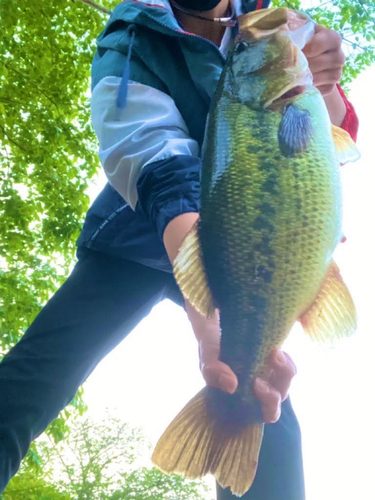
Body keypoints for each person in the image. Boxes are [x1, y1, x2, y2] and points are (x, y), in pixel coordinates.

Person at [0, 0, 358, 498]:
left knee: (259, 395)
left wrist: (326, 78)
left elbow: (329, 136)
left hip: (254, 249)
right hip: (137, 238)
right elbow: (158, 166)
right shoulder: (126, 44)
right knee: (32, 378)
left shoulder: (270, 25)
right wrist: (207, 304)